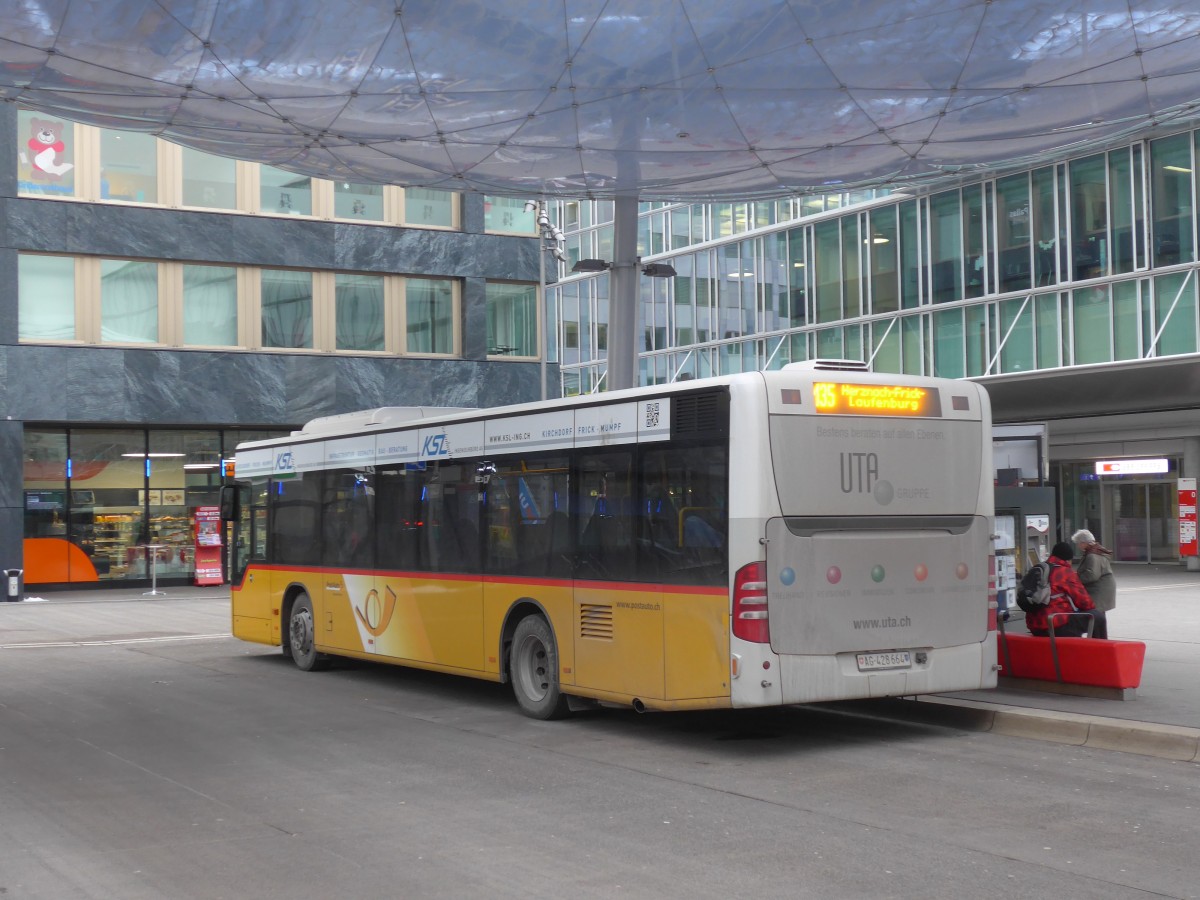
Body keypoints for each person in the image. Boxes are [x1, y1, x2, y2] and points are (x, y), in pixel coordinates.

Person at [1025, 541, 1108, 639]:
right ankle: (1100, 648)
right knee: (1098, 617)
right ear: (1068, 560)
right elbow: (1086, 603)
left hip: (1034, 627)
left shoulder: (1037, 569)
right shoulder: (1065, 572)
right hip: (1056, 625)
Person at [1071, 528, 1117, 613]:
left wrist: (1076, 579)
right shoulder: (1097, 550)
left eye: (1078, 543)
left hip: (1099, 590)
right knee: (1098, 613)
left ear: (1084, 543)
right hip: (1103, 587)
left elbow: (1092, 575)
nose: (1078, 546)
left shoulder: (1092, 555)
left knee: (1095, 613)